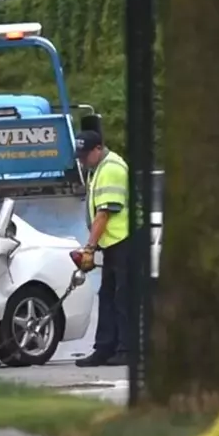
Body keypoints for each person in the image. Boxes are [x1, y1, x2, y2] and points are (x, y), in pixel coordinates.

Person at [73, 130, 130, 368]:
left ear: (98, 149)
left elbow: (104, 213)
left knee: (123, 298)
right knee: (107, 296)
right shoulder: (96, 170)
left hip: (126, 241)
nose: (82, 160)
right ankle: (104, 348)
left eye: (86, 155)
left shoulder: (112, 169)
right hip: (113, 243)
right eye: (80, 156)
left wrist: (89, 248)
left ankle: (127, 350)